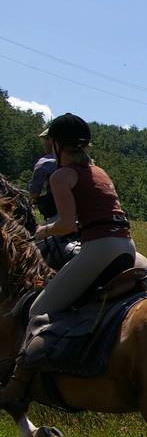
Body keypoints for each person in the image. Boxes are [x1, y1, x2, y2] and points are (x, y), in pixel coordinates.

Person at [0, 113, 135, 413]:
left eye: (51, 142)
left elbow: (65, 226)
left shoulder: (61, 176)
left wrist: (40, 231)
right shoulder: (99, 172)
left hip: (99, 249)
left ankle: (16, 386)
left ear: (58, 145)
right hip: (126, 246)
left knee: (38, 310)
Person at [28, 128, 58, 223]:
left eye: (45, 139)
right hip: (82, 210)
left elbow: (34, 193)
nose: (43, 143)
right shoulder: (82, 161)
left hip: (58, 211)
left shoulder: (44, 162)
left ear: (50, 140)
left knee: (38, 236)